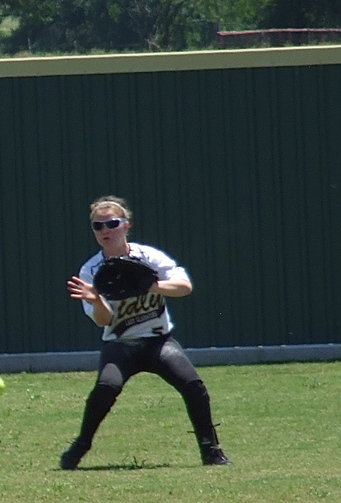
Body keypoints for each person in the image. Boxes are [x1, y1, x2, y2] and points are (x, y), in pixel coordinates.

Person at [61, 195, 230, 470]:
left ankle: (211, 450)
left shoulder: (148, 257)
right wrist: (95, 300)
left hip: (158, 342)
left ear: (126, 226)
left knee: (193, 386)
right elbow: (103, 321)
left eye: (112, 223)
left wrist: (149, 285)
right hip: (120, 344)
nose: (105, 230)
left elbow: (184, 286)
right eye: (97, 226)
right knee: (106, 387)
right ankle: (81, 445)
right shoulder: (90, 270)